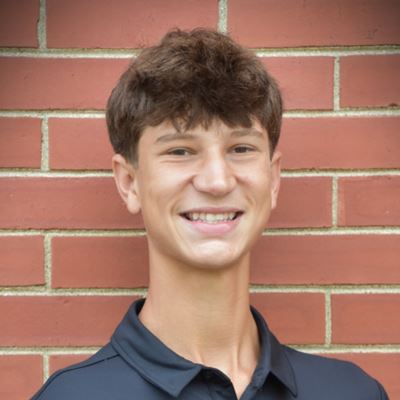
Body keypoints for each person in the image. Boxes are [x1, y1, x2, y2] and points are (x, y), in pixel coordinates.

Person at [31, 28, 389, 400]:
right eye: (180, 151)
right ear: (129, 183)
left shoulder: (353, 392)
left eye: (241, 148)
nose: (217, 181)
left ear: (273, 178)